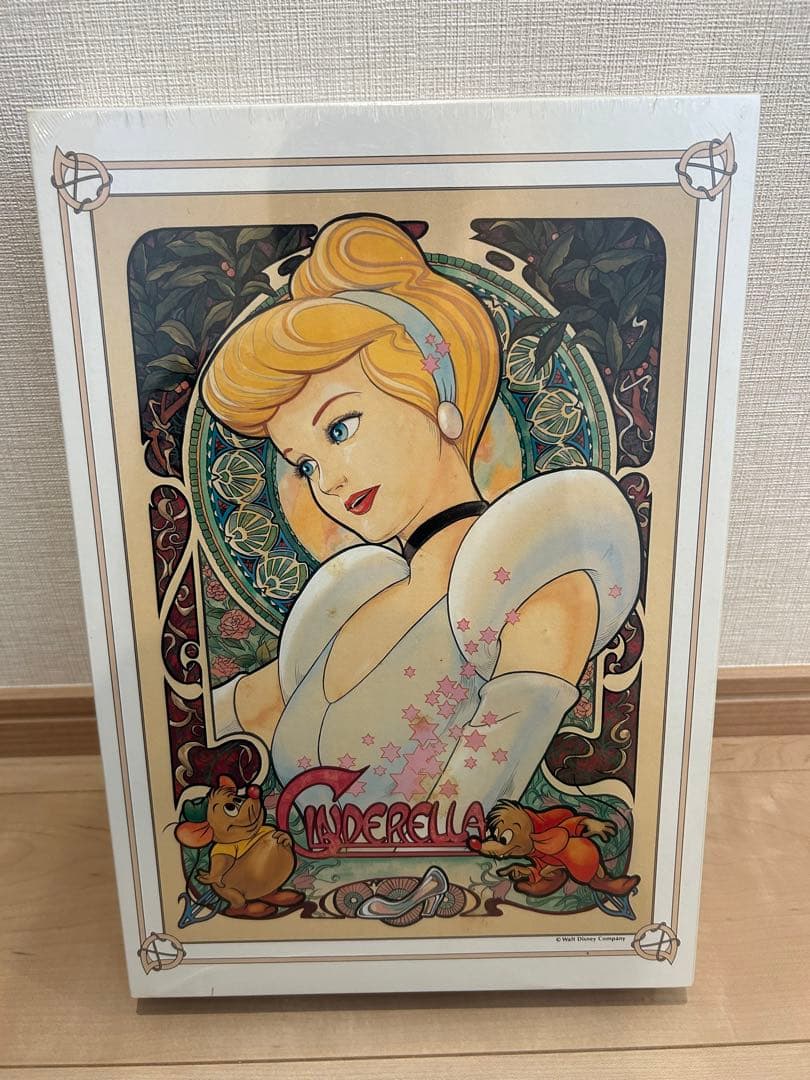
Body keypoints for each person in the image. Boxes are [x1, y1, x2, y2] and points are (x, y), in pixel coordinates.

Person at [200, 214, 640, 816]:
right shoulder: (347, 603)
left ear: (436, 400)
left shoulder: (541, 574)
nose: (327, 481)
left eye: (341, 428)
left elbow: (475, 810)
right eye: (304, 464)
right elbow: (204, 728)